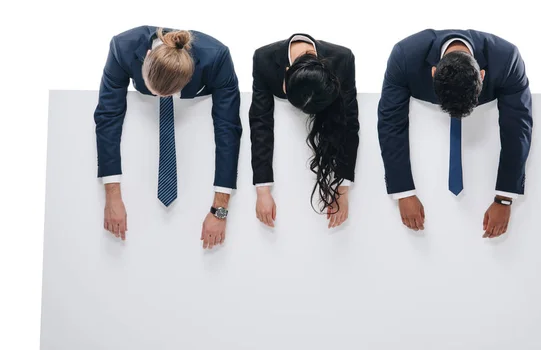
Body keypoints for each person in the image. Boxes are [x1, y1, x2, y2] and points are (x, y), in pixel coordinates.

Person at [94, 26, 242, 248]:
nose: (159, 97)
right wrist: (112, 195)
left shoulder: (217, 57)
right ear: (145, 58)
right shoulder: (122, 47)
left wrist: (220, 211)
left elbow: (228, 130)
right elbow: (108, 117)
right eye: (154, 92)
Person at [378, 29, 533, 238]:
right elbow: (391, 123)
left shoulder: (508, 60)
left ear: (482, 75)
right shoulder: (404, 56)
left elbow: (517, 127)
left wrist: (504, 198)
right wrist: (403, 192)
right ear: (433, 73)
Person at [250, 34, 359, 228]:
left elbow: (349, 125)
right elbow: (260, 124)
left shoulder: (343, 59)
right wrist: (262, 190)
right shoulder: (263, 59)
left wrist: (341, 189)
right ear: (284, 80)